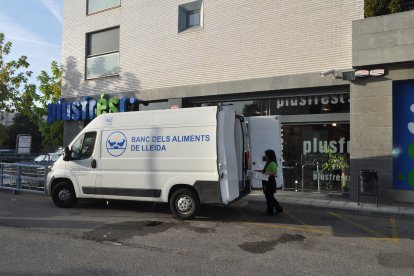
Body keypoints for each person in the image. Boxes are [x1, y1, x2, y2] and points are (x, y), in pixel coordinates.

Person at [260, 149, 283, 216]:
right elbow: (266, 171)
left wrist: (267, 173)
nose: (265, 156)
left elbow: (274, 173)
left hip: (270, 183)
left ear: (269, 155)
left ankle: (270, 211)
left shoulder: (272, 163)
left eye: (266, 155)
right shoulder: (269, 163)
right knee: (270, 197)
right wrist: (259, 171)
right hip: (267, 182)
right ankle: (278, 208)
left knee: (269, 198)